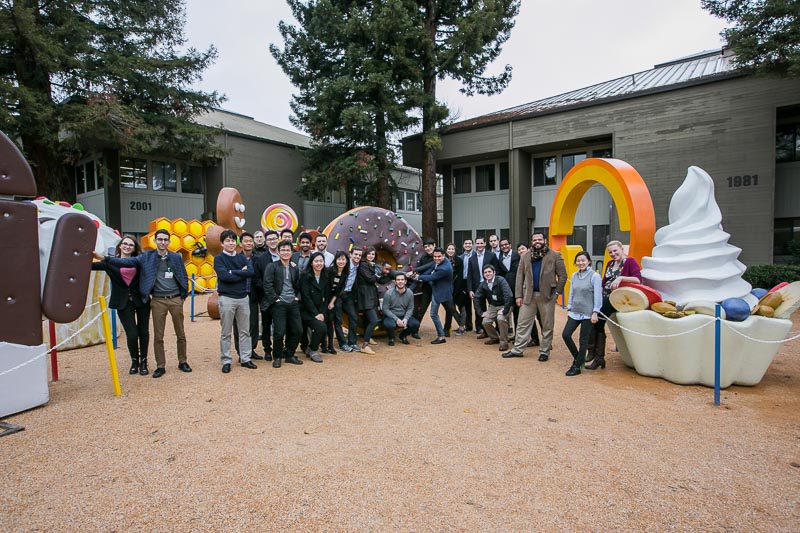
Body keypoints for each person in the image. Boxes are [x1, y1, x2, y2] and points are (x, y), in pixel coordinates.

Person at [106, 228, 191, 378]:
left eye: (165, 240)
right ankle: (160, 365)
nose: (163, 242)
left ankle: (182, 361)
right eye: (160, 239)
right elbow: (127, 261)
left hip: (175, 298)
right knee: (158, 335)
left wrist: (183, 294)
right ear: (155, 241)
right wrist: (106, 259)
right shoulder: (147, 257)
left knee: (181, 333)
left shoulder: (176, 257)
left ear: (169, 242)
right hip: (158, 300)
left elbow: (183, 275)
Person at [502, 233, 566, 361]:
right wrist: (518, 295)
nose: (537, 242)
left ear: (544, 240)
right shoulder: (525, 256)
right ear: (532, 241)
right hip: (528, 296)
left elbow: (563, 276)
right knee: (522, 323)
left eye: (540, 239)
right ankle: (517, 349)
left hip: (547, 296)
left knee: (547, 324)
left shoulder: (554, 255)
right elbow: (520, 277)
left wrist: (557, 293)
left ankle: (544, 351)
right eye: (535, 240)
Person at [92, 235, 150, 375]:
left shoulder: (138, 261)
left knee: (143, 332)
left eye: (131, 245)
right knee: (132, 334)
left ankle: (143, 361)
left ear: (134, 248)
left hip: (141, 300)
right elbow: (91, 266)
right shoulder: (110, 263)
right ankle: (134, 360)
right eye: (125, 244)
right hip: (123, 302)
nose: (127, 246)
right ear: (120, 246)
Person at [588, 240, 642, 370]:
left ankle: (596, 355)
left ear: (621, 249)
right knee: (595, 322)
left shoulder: (630, 262)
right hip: (605, 297)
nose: (613, 254)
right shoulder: (610, 263)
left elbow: (638, 279)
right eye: (610, 252)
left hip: (617, 299)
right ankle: (597, 356)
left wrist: (621, 278)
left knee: (595, 321)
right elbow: (604, 281)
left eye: (615, 251)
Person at [214, 230, 256, 373]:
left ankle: (245, 358)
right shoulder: (219, 259)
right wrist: (240, 272)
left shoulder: (241, 257)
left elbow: (250, 272)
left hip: (243, 298)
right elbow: (224, 276)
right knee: (226, 331)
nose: (231, 243)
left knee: (245, 330)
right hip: (227, 298)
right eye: (227, 241)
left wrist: (233, 272)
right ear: (222, 243)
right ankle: (226, 360)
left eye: (233, 240)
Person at [262, 240, 304, 368]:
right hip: (279, 303)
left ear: (292, 252)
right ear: (279, 252)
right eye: (283, 250)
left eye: (288, 250)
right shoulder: (272, 266)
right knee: (279, 332)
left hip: (292, 303)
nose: (286, 252)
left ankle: (289, 354)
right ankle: (278, 356)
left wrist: (297, 297)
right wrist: (276, 299)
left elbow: (298, 285)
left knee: (298, 330)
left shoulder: (294, 267)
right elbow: (267, 284)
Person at [562, 251, 602, 376]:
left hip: (587, 313)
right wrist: (569, 306)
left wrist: (595, 312)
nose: (580, 263)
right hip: (575, 311)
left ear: (589, 261)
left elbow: (597, 296)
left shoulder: (595, 276)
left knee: (583, 340)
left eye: (583, 260)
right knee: (566, 334)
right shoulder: (574, 275)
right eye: (578, 261)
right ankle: (579, 358)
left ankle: (577, 366)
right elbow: (572, 292)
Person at [413, 247, 458, 345]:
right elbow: (431, 268)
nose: (436, 259)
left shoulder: (444, 268)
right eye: (435, 256)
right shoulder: (443, 261)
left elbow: (432, 277)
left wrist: (418, 277)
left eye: (439, 257)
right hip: (439, 291)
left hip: (441, 293)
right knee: (449, 310)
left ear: (444, 256)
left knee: (436, 314)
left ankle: (442, 336)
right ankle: (443, 334)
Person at [233, 232, 263, 361]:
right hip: (239, 295)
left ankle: (251, 349)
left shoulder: (257, 259)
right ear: (241, 244)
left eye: (251, 241)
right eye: (246, 241)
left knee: (253, 324)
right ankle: (241, 352)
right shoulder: (236, 259)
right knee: (239, 325)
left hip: (253, 295)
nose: (249, 243)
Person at [252, 230, 280, 360]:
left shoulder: (285, 255)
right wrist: (266, 291)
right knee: (267, 325)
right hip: (266, 298)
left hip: (282, 298)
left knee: (281, 325)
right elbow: (256, 278)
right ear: (266, 242)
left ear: (278, 239)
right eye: (269, 239)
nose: (272, 241)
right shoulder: (260, 259)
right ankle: (267, 349)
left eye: (274, 239)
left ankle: (280, 349)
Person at [476, 265, 514, 351]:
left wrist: (505, 310)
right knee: (485, 321)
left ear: (494, 272)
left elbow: (509, 295)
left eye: (489, 272)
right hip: (493, 306)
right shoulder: (483, 284)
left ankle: (504, 342)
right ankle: (494, 338)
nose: (487, 274)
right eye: (485, 272)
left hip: (505, 304)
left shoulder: (501, 280)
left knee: (500, 318)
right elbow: (477, 297)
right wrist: (481, 312)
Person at [467, 236, 500, 338]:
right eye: (477, 243)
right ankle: (481, 329)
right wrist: (470, 289)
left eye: (481, 243)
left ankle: (498, 329)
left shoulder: (491, 256)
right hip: (478, 287)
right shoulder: (471, 259)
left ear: (485, 244)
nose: (479, 245)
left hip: (491, 286)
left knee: (494, 306)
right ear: (475, 245)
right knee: (479, 308)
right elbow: (470, 275)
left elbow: (497, 271)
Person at [299, 252, 328, 362]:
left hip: (320, 310)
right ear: (311, 263)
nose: (319, 263)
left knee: (322, 327)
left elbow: (327, 296)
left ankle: (312, 348)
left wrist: (322, 313)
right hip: (306, 310)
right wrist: (316, 314)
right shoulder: (305, 276)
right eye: (316, 261)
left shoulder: (325, 276)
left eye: (321, 261)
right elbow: (306, 297)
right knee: (320, 327)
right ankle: (312, 349)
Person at [381, 271, 420, 345]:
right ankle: (391, 338)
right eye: (398, 280)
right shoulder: (388, 293)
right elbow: (385, 309)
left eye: (402, 280)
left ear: (405, 282)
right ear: (395, 282)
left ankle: (403, 336)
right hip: (391, 316)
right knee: (390, 325)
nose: (400, 282)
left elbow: (410, 308)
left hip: (403, 315)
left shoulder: (410, 293)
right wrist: (397, 319)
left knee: (416, 324)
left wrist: (406, 318)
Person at [356, 246, 381, 354]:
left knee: (367, 319)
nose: (371, 256)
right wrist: (379, 274)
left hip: (371, 295)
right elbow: (370, 279)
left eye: (373, 254)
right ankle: (364, 345)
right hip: (365, 295)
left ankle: (368, 337)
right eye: (369, 254)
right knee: (374, 320)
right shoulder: (363, 265)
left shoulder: (371, 265)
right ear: (365, 255)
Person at [410, 238, 436, 337]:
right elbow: (419, 268)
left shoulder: (438, 255)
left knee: (449, 307)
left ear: (434, 245)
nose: (428, 248)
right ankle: (415, 330)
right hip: (427, 288)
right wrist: (414, 273)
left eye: (429, 246)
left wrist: (416, 271)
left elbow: (428, 267)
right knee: (422, 309)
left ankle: (448, 328)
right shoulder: (423, 257)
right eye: (425, 247)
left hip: (439, 288)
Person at [325, 250, 350, 353]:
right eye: (339, 259)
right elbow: (324, 286)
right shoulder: (329, 271)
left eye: (343, 259)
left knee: (337, 320)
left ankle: (338, 344)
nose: (341, 261)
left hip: (335, 298)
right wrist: (327, 301)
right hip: (325, 297)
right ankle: (323, 344)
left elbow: (339, 290)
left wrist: (332, 302)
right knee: (326, 321)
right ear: (335, 260)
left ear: (347, 261)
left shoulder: (345, 273)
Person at [340, 248, 362, 352]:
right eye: (355, 254)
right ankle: (343, 344)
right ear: (350, 255)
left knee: (354, 317)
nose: (357, 257)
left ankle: (352, 342)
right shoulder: (344, 265)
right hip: (338, 295)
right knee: (337, 320)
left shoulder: (360, 266)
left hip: (348, 295)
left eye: (359, 255)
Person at [497, 238, 520, 336]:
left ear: (510, 245)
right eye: (502, 245)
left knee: (518, 315)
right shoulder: (500, 257)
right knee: (508, 312)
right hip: (507, 289)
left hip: (518, 288)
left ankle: (519, 337)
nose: (504, 247)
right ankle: (510, 334)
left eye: (506, 244)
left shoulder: (517, 255)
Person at [445, 243, 466, 335]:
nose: (450, 251)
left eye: (452, 249)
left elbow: (460, 276)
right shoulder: (443, 260)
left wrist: (457, 289)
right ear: (446, 250)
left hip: (458, 287)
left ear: (455, 250)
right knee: (451, 308)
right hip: (447, 288)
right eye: (449, 249)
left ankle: (461, 327)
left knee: (462, 307)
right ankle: (449, 327)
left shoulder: (459, 261)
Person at [461, 238, 474, 331]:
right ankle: (468, 324)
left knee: (478, 304)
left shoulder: (476, 255)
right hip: (464, 282)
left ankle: (480, 326)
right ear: (463, 245)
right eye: (466, 243)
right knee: (466, 305)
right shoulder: (461, 257)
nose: (468, 245)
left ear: (472, 245)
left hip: (475, 282)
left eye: (469, 243)